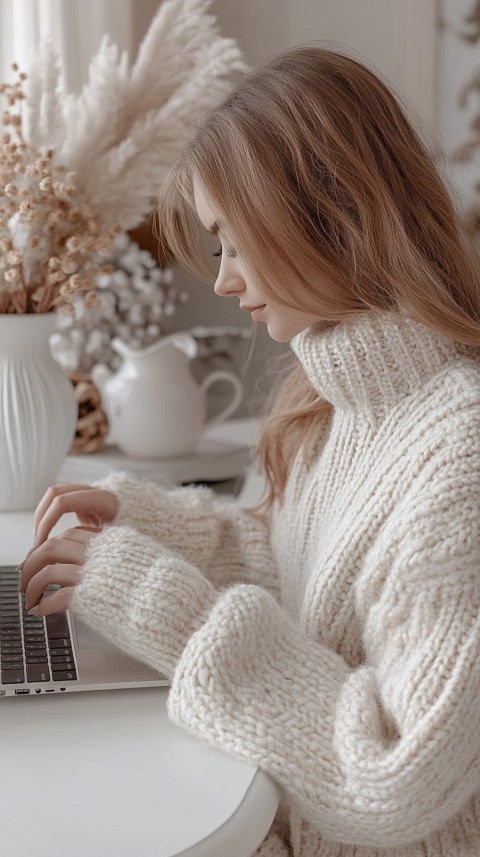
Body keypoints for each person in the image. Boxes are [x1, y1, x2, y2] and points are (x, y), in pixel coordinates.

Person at [19, 45, 480, 856]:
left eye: (231, 240)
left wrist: (160, 603)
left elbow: (395, 770)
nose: (225, 281)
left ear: (327, 212)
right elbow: (295, 567)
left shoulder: (460, 453)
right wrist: (142, 518)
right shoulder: (337, 406)